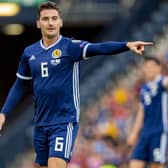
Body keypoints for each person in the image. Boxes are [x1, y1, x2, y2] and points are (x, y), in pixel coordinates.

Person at [0, 1, 153, 168]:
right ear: (38, 23)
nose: (50, 23)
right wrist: (4, 113)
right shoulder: (30, 53)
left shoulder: (70, 47)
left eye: (54, 18)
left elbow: (99, 48)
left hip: (63, 122)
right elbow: (20, 85)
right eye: (45, 19)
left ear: (60, 22)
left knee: (55, 165)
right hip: (41, 123)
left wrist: (127, 45)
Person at [127, 57, 168, 168]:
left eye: (152, 66)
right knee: (134, 163)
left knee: (156, 165)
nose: (149, 69)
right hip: (145, 134)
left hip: (158, 132)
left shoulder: (162, 82)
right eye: (147, 67)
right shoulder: (144, 88)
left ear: (159, 68)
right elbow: (141, 112)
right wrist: (134, 133)